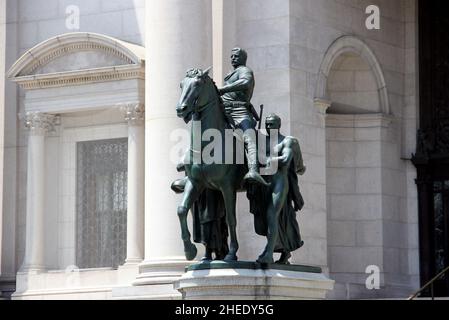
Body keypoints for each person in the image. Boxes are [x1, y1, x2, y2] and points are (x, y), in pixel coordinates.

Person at [248, 114, 306, 264]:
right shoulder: (261, 142)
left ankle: (268, 253)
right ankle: (285, 252)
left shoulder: (288, 141)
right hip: (263, 184)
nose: (269, 127)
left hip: (279, 182)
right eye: (267, 124)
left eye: (272, 124)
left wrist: (267, 159)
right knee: (269, 219)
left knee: (271, 214)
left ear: (279, 125)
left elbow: (286, 160)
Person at [218, 48, 269, 187]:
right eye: (231, 56)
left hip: (240, 110)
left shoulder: (245, 71)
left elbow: (245, 83)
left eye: (236, 56)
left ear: (243, 58)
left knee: (249, 137)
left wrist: (222, 89)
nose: (233, 58)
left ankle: (253, 170)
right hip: (225, 110)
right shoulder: (230, 74)